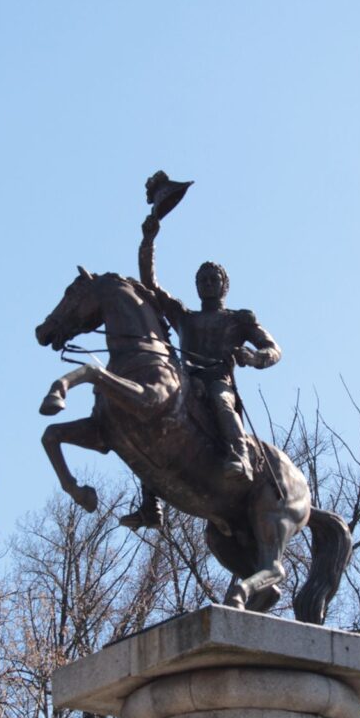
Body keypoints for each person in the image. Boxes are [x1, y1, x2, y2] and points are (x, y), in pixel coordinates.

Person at [119, 210, 281, 531]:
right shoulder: (184, 316)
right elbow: (150, 282)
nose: (208, 283)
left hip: (218, 380)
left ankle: (241, 456)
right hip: (187, 382)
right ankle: (151, 504)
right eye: (202, 280)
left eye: (213, 279)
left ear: (224, 285)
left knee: (222, 404)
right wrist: (148, 238)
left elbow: (273, 350)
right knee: (148, 418)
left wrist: (251, 356)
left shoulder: (239, 318)